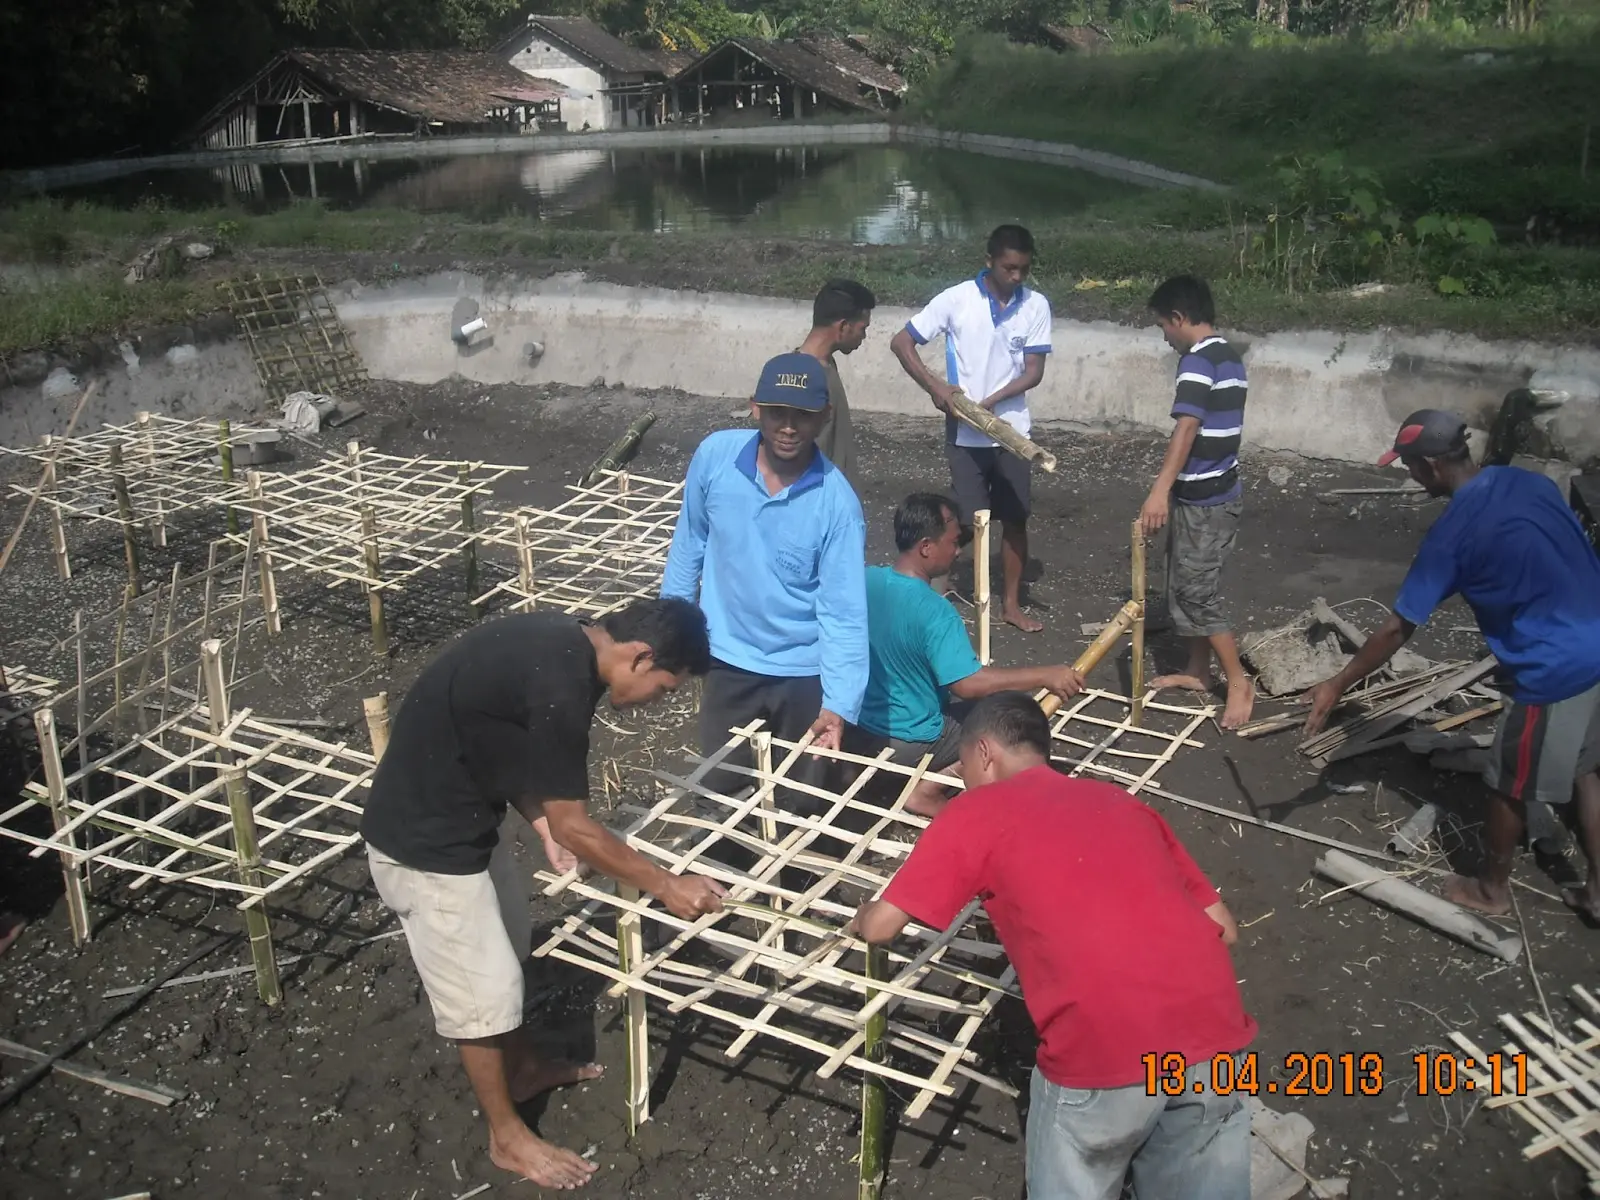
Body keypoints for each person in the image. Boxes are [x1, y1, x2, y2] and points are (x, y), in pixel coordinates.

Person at [360, 599, 727, 1191]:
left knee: (508, 944)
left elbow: (502, 743)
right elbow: (577, 826)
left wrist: (539, 822)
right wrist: (665, 884)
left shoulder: (565, 647)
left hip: (466, 822)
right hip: (423, 844)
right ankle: (507, 1137)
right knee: (482, 995)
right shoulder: (560, 683)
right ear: (641, 656)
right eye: (664, 688)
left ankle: (525, 1068)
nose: (658, 701)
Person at [849, 693, 1255, 1200]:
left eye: (961, 765)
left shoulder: (976, 811)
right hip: (1217, 1035)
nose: (960, 778)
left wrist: (861, 914)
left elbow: (883, 927)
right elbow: (1225, 928)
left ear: (984, 752)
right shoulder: (1120, 801)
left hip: (1104, 1047)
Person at [1305, 409, 1600, 921]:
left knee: (1507, 782)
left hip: (1551, 668)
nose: (1411, 477)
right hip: (1595, 638)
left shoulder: (1453, 534)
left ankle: (1490, 890)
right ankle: (1596, 890)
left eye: (1412, 467)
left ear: (1433, 465)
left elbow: (1397, 628)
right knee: (1586, 772)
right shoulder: (1527, 482)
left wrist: (1337, 683)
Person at [661, 352, 869, 808]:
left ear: (825, 418)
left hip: (802, 671)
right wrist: (670, 632)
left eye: (803, 416)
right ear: (755, 407)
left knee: (799, 799)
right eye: (778, 413)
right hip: (728, 659)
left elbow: (844, 612)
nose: (788, 426)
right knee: (719, 789)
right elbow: (689, 540)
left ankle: (793, 876)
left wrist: (839, 703)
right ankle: (717, 873)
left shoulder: (837, 505)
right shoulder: (716, 457)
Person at [847, 493, 1085, 817]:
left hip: (859, 729)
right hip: (908, 741)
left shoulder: (865, 580)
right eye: (954, 542)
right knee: (1006, 721)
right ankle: (927, 791)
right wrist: (1045, 675)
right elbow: (967, 684)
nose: (958, 551)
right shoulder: (935, 611)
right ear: (927, 547)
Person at [890, 224, 1053, 634]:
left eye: (1023, 270)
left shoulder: (1036, 306)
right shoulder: (956, 299)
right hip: (965, 432)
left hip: (1012, 432)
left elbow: (1033, 372)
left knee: (1015, 518)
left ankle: (1011, 605)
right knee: (964, 520)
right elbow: (901, 343)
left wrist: (993, 402)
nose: (1016, 277)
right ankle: (937, 600)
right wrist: (937, 388)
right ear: (990, 261)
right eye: (1009, 268)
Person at [1138, 274, 1254, 730]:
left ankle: (1238, 681)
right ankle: (1197, 670)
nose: (1164, 336)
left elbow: (1186, 428)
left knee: (1196, 592)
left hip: (1207, 498)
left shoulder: (1198, 361)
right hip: (1212, 491)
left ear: (1180, 318)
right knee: (1185, 579)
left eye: (1163, 326)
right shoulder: (1228, 355)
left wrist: (1159, 490)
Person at [799, 278, 876, 486]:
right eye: (862, 328)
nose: (864, 336)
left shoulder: (825, 365)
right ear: (843, 326)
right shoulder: (805, 377)